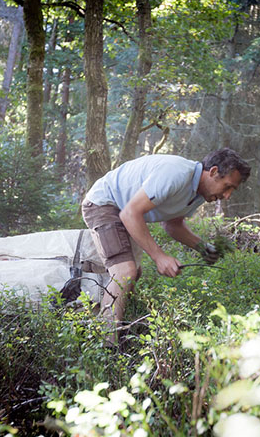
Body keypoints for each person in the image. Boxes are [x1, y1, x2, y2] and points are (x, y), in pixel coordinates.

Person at [81, 148, 251, 345]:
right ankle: (105, 346)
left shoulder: (197, 194)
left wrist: (203, 247)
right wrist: (159, 257)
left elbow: (173, 224)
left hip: (126, 211)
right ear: (213, 172)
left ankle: (122, 333)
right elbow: (130, 214)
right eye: (227, 186)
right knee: (124, 272)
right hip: (104, 203)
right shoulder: (176, 174)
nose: (228, 195)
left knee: (133, 276)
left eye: (232, 190)